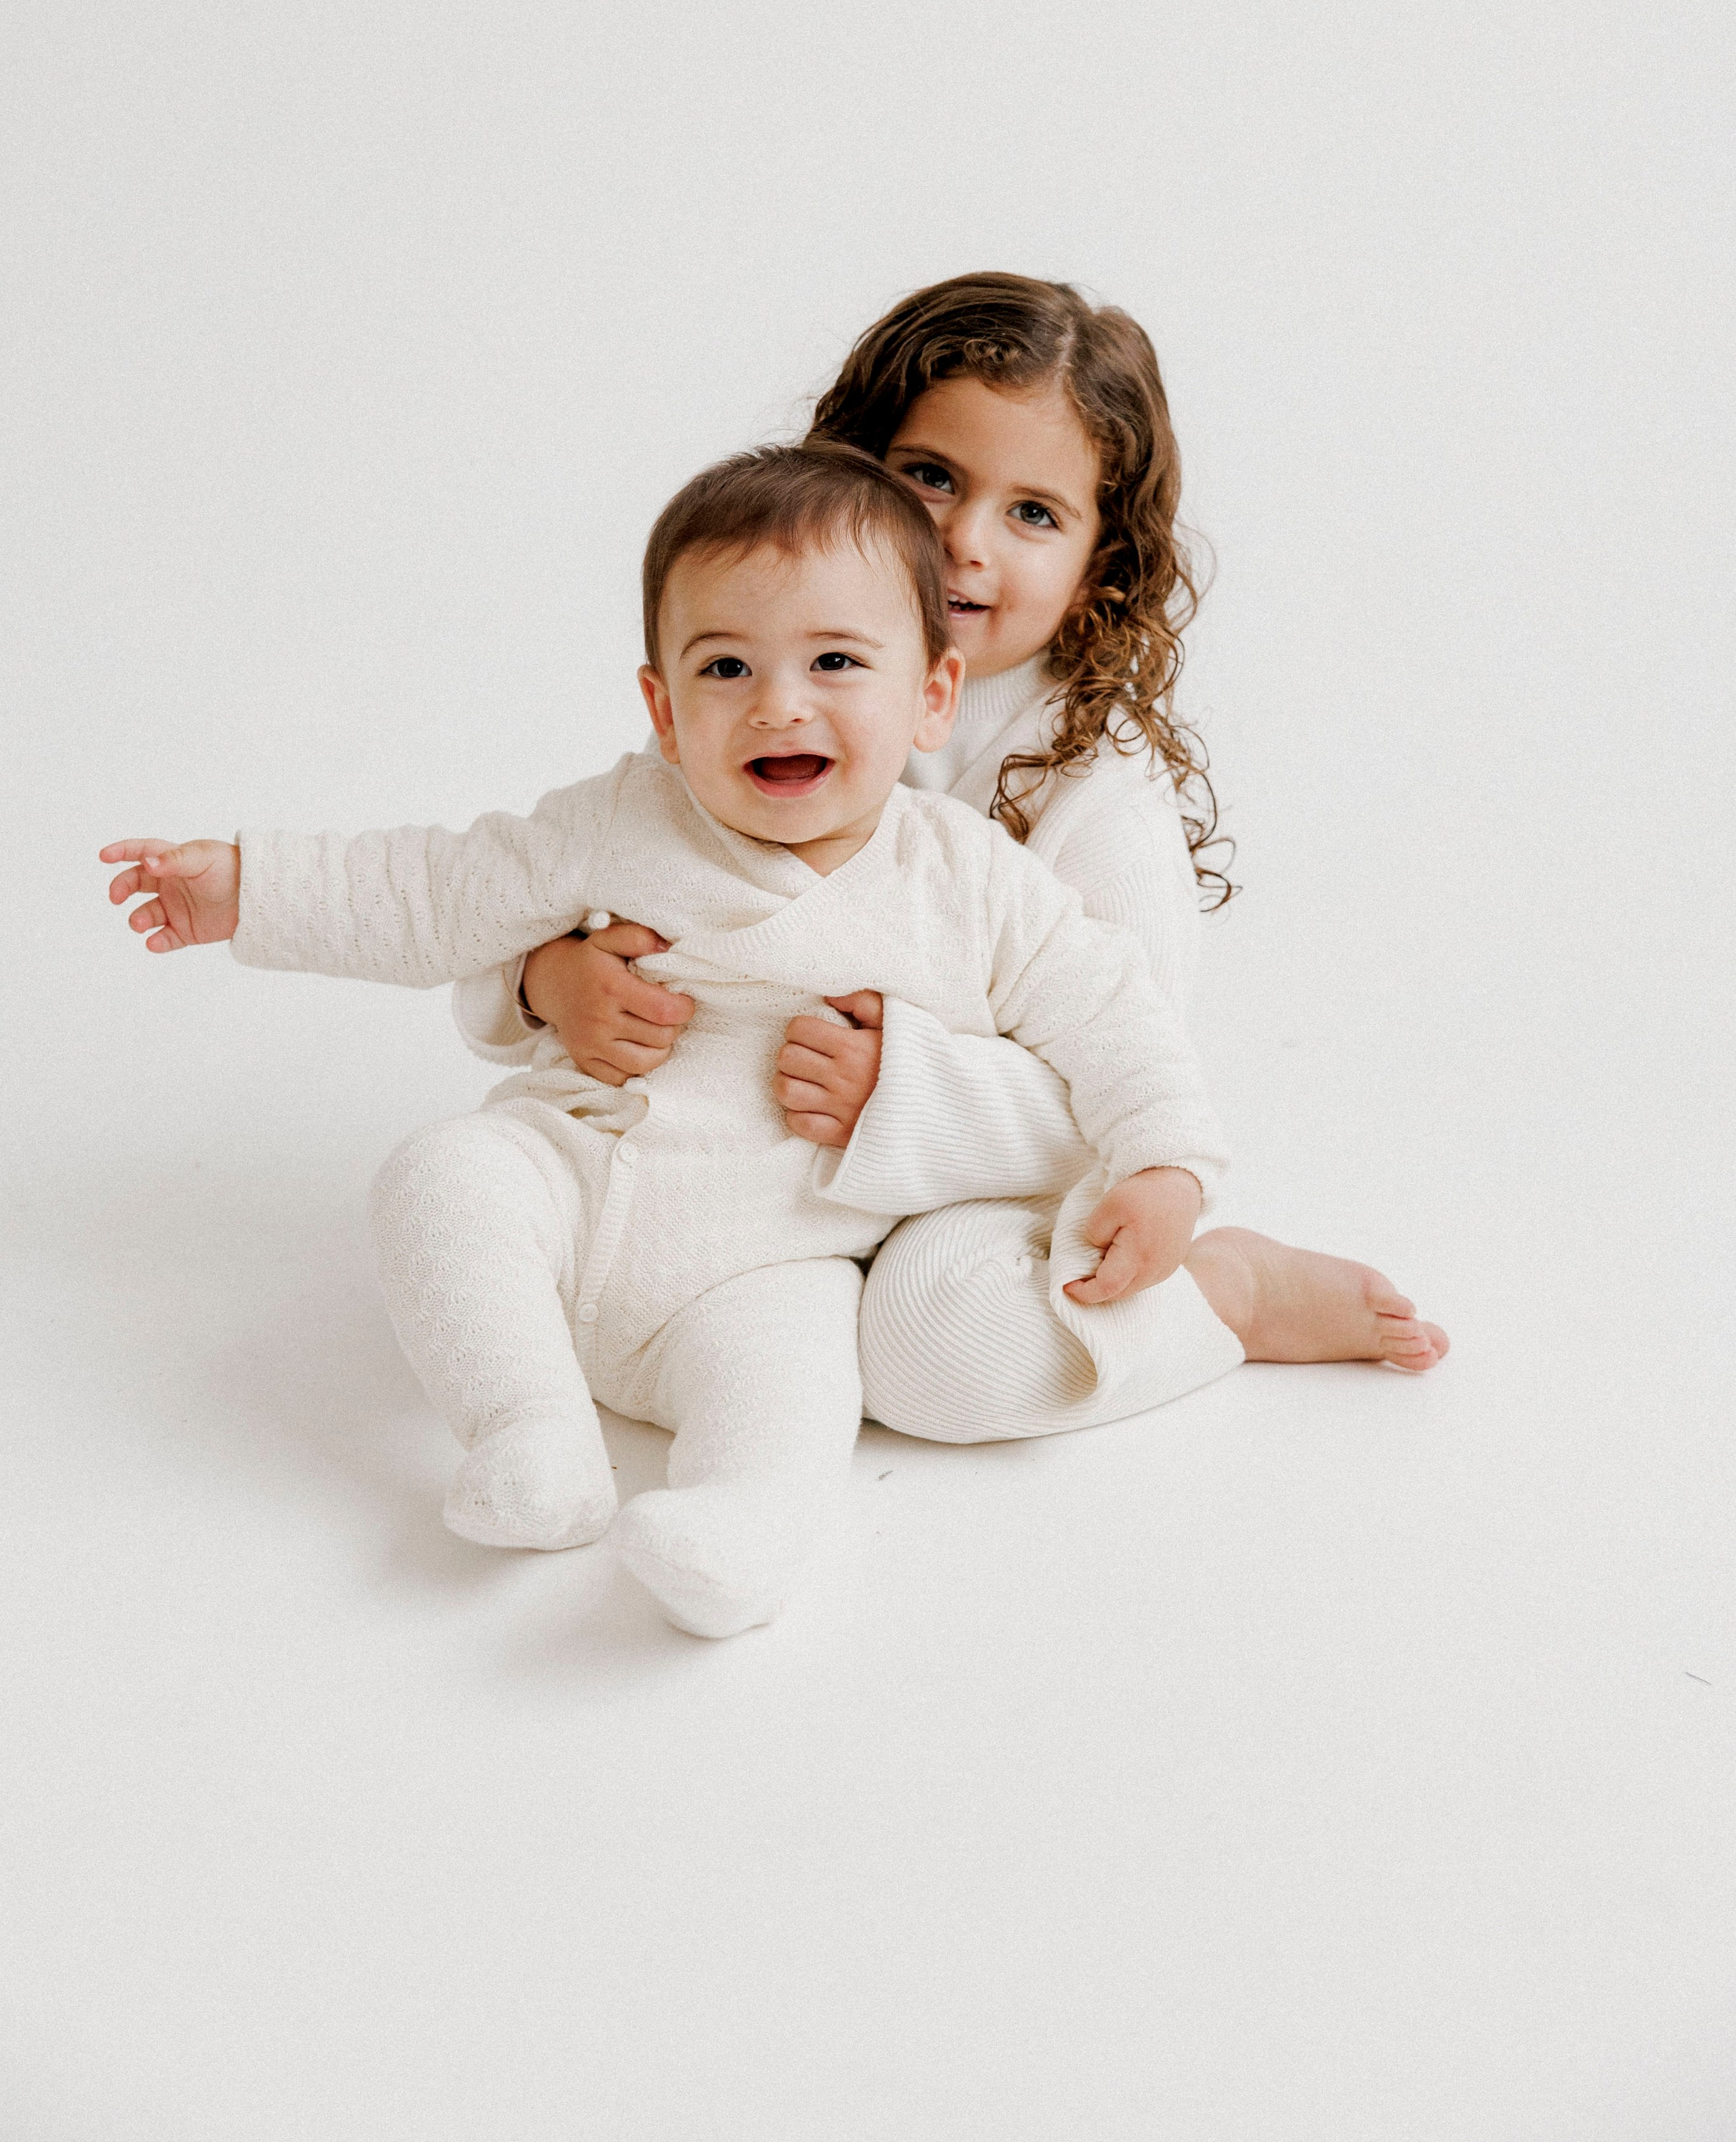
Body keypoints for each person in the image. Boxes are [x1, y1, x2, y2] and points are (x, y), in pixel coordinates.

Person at [101, 446, 1231, 1640]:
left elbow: (1116, 1018)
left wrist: (1166, 1162)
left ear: (931, 696)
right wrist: (250, 889)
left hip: (770, 1268)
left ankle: (742, 1530)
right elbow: (438, 885)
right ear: (662, 706)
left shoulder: (972, 881)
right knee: (439, 1176)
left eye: (837, 663)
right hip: (572, 1185)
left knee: (801, 1392)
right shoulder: (626, 815)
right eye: (727, 666)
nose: (779, 703)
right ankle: (532, 1433)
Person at [479, 273, 1446, 1441]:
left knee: (935, 1355)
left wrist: (908, 1091)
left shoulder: (1100, 800)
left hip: (971, 1192)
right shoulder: (763, 693)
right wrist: (548, 982)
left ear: (1102, 570)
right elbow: (585, 869)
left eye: (1033, 513)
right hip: (741, 1162)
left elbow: (1133, 1084)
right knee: (509, 1239)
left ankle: (1225, 1297)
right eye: (930, 476)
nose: (961, 539)